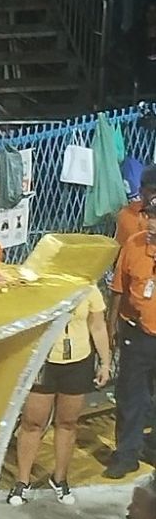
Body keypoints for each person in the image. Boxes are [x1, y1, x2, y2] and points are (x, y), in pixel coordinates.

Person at [6, 286, 110, 506]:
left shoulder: (89, 288)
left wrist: (105, 363)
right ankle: (22, 481)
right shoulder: (41, 287)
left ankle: (60, 479)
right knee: (33, 423)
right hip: (43, 361)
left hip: (78, 362)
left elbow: (98, 326)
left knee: (68, 422)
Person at [106, 194, 156, 478]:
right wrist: (111, 325)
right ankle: (126, 454)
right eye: (149, 216)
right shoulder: (133, 245)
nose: (151, 222)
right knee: (130, 396)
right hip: (137, 334)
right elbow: (118, 289)